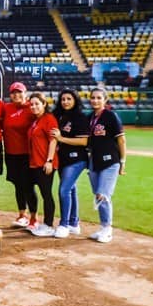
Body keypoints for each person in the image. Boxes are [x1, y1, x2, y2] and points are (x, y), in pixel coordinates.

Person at [86, 87, 126, 243]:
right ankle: (103, 227)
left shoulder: (111, 116)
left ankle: (108, 229)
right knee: (98, 195)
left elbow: (121, 140)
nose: (95, 100)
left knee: (103, 194)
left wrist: (123, 162)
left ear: (105, 100)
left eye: (98, 98)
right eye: (93, 97)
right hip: (94, 162)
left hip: (110, 161)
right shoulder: (89, 117)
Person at [50, 88, 90, 238]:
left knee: (64, 189)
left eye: (69, 99)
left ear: (75, 100)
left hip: (76, 159)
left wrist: (62, 139)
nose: (65, 102)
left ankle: (64, 224)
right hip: (63, 158)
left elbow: (84, 141)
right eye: (63, 99)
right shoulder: (58, 116)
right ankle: (74, 223)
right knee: (71, 189)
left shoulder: (80, 117)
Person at [2, 82, 37, 228]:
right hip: (11, 153)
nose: (16, 95)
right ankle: (22, 214)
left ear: (25, 93)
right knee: (18, 185)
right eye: (13, 93)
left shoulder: (31, 107)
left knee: (28, 186)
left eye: (19, 92)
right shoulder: (7, 108)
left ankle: (34, 218)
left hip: (27, 154)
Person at [27, 92, 59, 237]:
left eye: (37, 104)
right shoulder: (35, 121)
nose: (33, 106)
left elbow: (53, 140)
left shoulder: (48, 119)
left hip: (45, 163)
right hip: (35, 163)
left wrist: (49, 160)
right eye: (31, 104)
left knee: (46, 194)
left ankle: (48, 224)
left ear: (44, 104)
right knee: (39, 191)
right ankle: (43, 223)